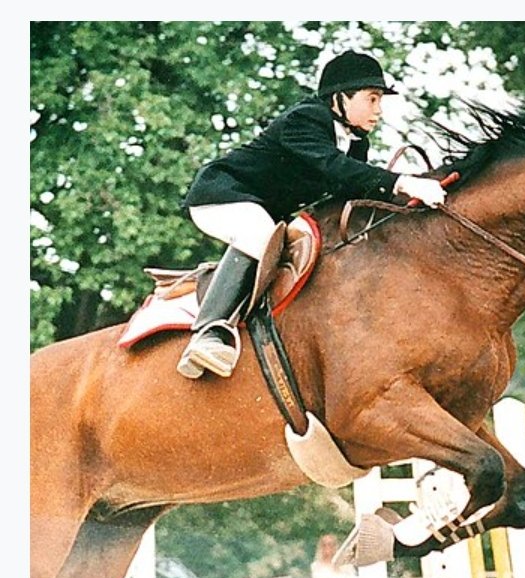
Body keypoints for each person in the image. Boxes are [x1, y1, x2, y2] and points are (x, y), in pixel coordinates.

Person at [176, 50, 446, 380]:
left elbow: (353, 190)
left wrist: (409, 200)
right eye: (372, 99)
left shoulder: (355, 141)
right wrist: (402, 183)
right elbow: (335, 168)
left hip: (262, 208)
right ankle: (207, 333)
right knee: (260, 235)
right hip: (221, 195)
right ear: (340, 98)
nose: (379, 110)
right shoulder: (304, 119)